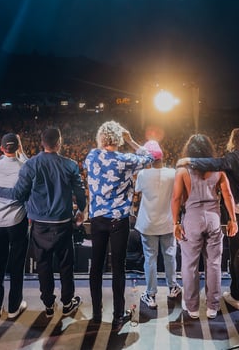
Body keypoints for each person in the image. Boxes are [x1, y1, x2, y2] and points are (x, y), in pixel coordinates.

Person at [0, 127, 86, 318]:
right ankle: (67, 303)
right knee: (66, 265)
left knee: (43, 264)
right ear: (59, 143)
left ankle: (48, 305)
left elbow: (18, 193)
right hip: (63, 223)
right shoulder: (71, 164)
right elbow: (80, 192)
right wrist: (81, 210)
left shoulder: (30, 165)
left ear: (42, 143)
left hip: (40, 224)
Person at [176, 111, 239, 311]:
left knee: (237, 256)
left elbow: (215, 163)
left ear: (234, 142)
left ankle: (236, 296)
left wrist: (189, 160)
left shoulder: (232, 158)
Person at [85, 121, 155, 328]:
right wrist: (131, 140)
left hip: (97, 219)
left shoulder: (92, 156)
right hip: (118, 220)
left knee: (96, 267)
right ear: (118, 139)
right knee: (118, 268)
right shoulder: (126, 160)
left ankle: (96, 314)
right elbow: (151, 157)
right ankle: (117, 317)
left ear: (101, 138)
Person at [172, 134, 238, 319]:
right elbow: (228, 195)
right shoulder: (219, 170)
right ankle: (212, 307)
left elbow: (176, 198)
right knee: (214, 264)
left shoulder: (183, 171)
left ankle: (192, 307)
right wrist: (233, 219)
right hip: (213, 218)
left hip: (192, 219)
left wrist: (175, 222)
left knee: (189, 264)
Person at [133, 140, 182, 310]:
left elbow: (137, 190)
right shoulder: (172, 173)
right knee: (170, 256)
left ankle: (151, 294)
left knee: (150, 258)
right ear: (162, 156)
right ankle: (173, 287)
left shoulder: (142, 175)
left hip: (148, 224)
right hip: (167, 222)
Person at [0, 133, 30, 319]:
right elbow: (28, 164)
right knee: (16, 265)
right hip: (17, 221)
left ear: (2, 148)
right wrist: (21, 151)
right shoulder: (24, 167)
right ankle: (14, 308)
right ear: (18, 147)